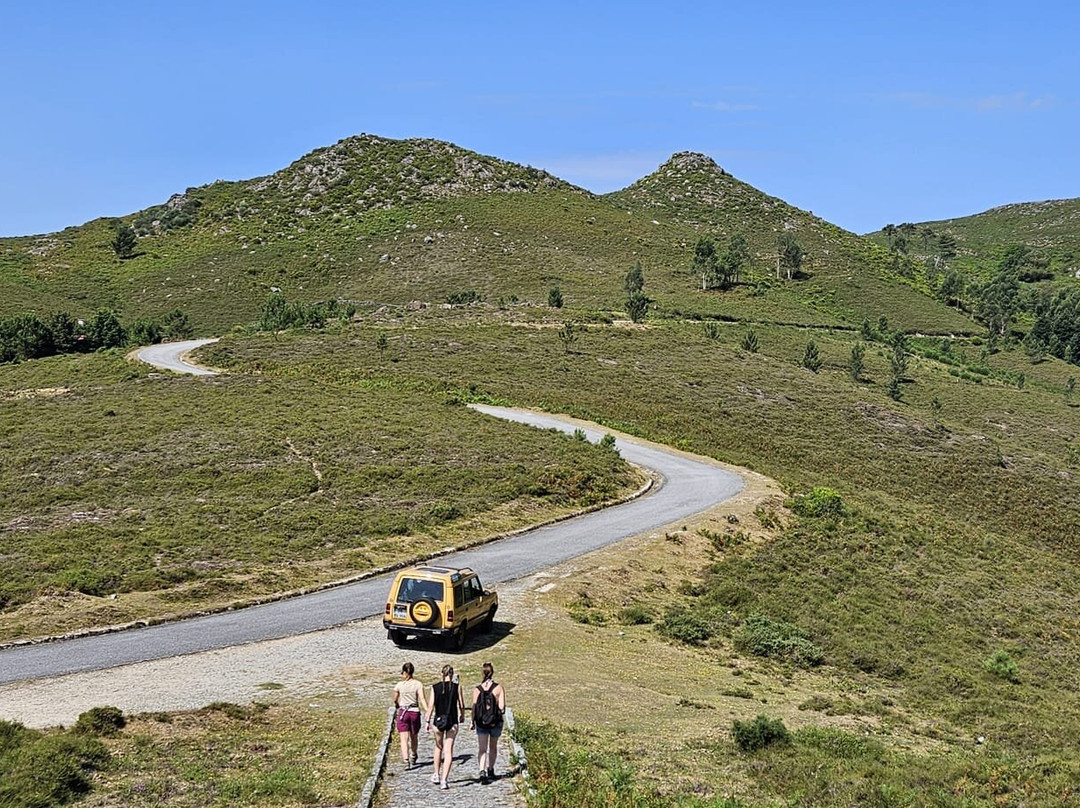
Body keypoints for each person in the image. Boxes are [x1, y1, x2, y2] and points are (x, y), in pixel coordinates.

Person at [425, 664, 466, 790]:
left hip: (438, 721)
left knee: (438, 747)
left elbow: (431, 706)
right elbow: (461, 704)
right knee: (448, 751)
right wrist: (462, 716)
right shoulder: (456, 687)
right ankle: (444, 780)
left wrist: (427, 721)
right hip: (452, 721)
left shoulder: (435, 687)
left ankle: (436, 774)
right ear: (452, 675)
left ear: (442, 674)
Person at [470, 661, 506, 784]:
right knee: (493, 746)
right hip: (495, 722)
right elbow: (502, 707)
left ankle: (482, 771)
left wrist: (472, 721)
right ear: (492, 673)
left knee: (482, 748)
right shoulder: (499, 688)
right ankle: (491, 769)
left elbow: (474, 707)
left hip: (481, 722)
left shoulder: (477, 689)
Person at [392, 662, 428, 770]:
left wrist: (397, 704)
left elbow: (395, 699)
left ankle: (406, 760)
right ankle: (413, 754)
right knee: (414, 736)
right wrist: (427, 710)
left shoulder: (399, 685)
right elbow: (422, 698)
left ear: (404, 672)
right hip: (414, 711)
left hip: (403, 712)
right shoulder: (418, 684)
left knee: (404, 738)